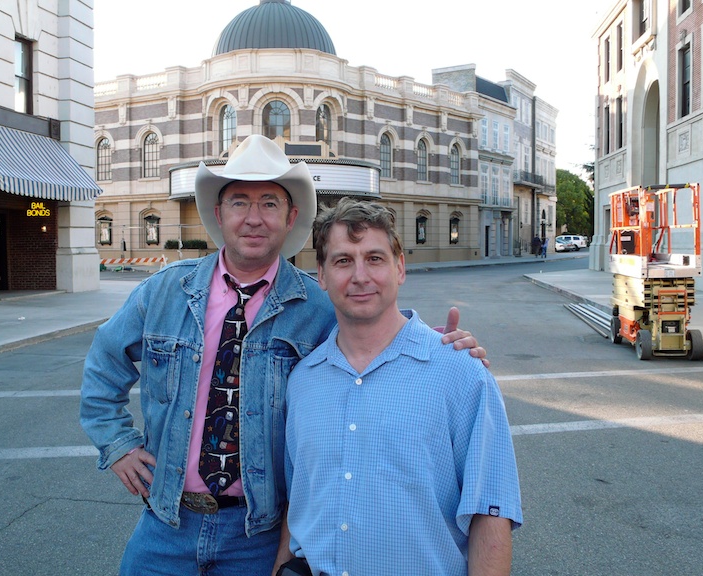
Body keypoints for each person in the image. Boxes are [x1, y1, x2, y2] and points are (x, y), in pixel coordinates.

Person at [80, 135, 488, 576]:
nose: (254, 218)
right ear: (219, 214)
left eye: (269, 204)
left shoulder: (317, 305)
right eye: (239, 202)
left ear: (290, 216)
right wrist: (118, 444)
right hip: (165, 525)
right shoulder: (163, 292)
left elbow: (374, 334)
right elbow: (105, 363)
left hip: (258, 536)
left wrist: (442, 346)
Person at [280, 197, 522, 576]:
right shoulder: (302, 382)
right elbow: (298, 504)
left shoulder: (460, 373)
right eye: (343, 260)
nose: (360, 276)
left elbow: (490, 516)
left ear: (400, 268)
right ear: (322, 275)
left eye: (374, 258)